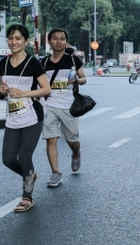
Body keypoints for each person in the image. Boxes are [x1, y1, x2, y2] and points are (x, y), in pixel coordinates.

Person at [0, 24, 51, 212]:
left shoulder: (33, 63)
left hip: (33, 116)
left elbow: (46, 89)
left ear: (25, 41)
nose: (14, 42)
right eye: (11, 38)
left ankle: (27, 197)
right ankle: (30, 175)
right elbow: (3, 89)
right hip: (13, 117)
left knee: (24, 156)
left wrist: (23, 93)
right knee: (9, 159)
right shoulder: (3, 63)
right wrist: (1, 90)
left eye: (18, 38)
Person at [41, 28, 88, 188]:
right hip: (50, 105)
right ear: (49, 41)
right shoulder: (44, 63)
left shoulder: (73, 60)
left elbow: (84, 79)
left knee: (72, 140)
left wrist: (77, 80)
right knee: (51, 139)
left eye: (62, 38)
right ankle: (55, 172)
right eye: (55, 38)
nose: (58, 41)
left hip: (69, 106)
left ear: (65, 42)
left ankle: (76, 153)